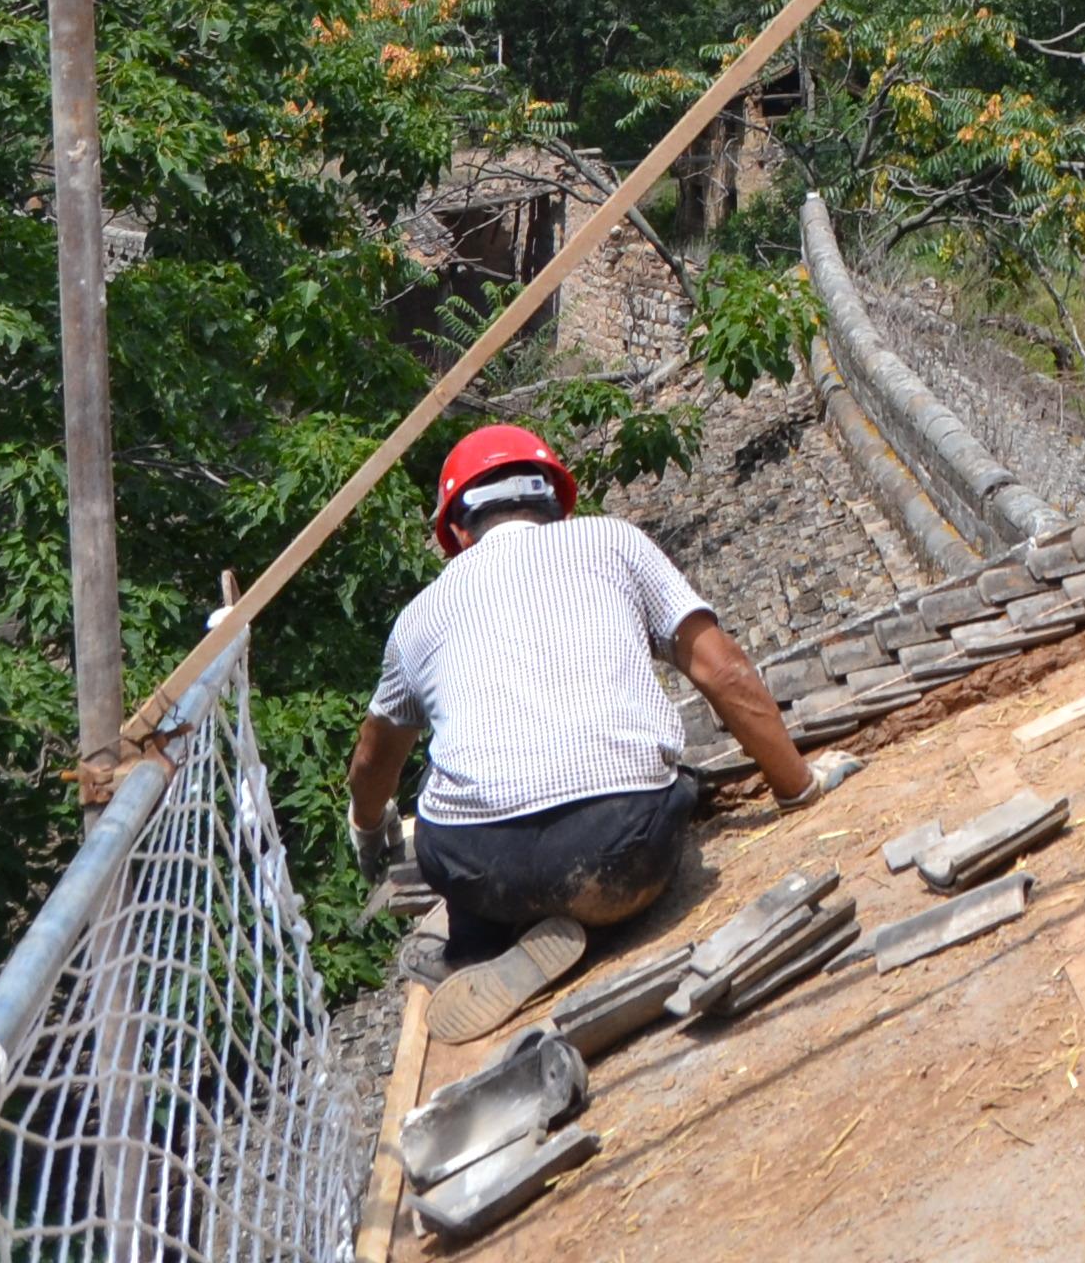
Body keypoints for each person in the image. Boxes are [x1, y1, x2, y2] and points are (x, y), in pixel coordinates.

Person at [346, 423, 855, 1039]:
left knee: (442, 796)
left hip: (487, 872)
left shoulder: (418, 617)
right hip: (626, 852)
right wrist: (798, 789)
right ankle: (588, 919)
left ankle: (476, 948)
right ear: (557, 502)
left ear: (456, 531)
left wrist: (369, 833)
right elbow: (721, 670)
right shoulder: (614, 543)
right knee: (654, 781)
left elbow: (375, 762)